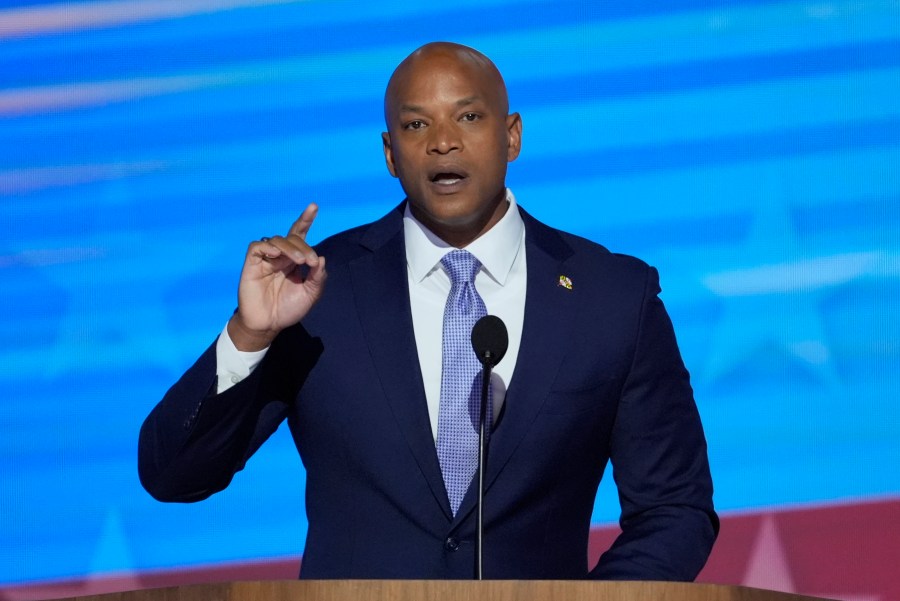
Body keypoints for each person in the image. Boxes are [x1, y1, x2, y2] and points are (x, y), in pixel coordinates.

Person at [139, 41, 717, 580]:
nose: (443, 141)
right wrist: (251, 334)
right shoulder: (317, 290)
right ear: (391, 154)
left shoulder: (610, 295)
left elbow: (675, 509)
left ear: (512, 136)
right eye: (416, 125)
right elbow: (174, 476)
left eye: (468, 117)